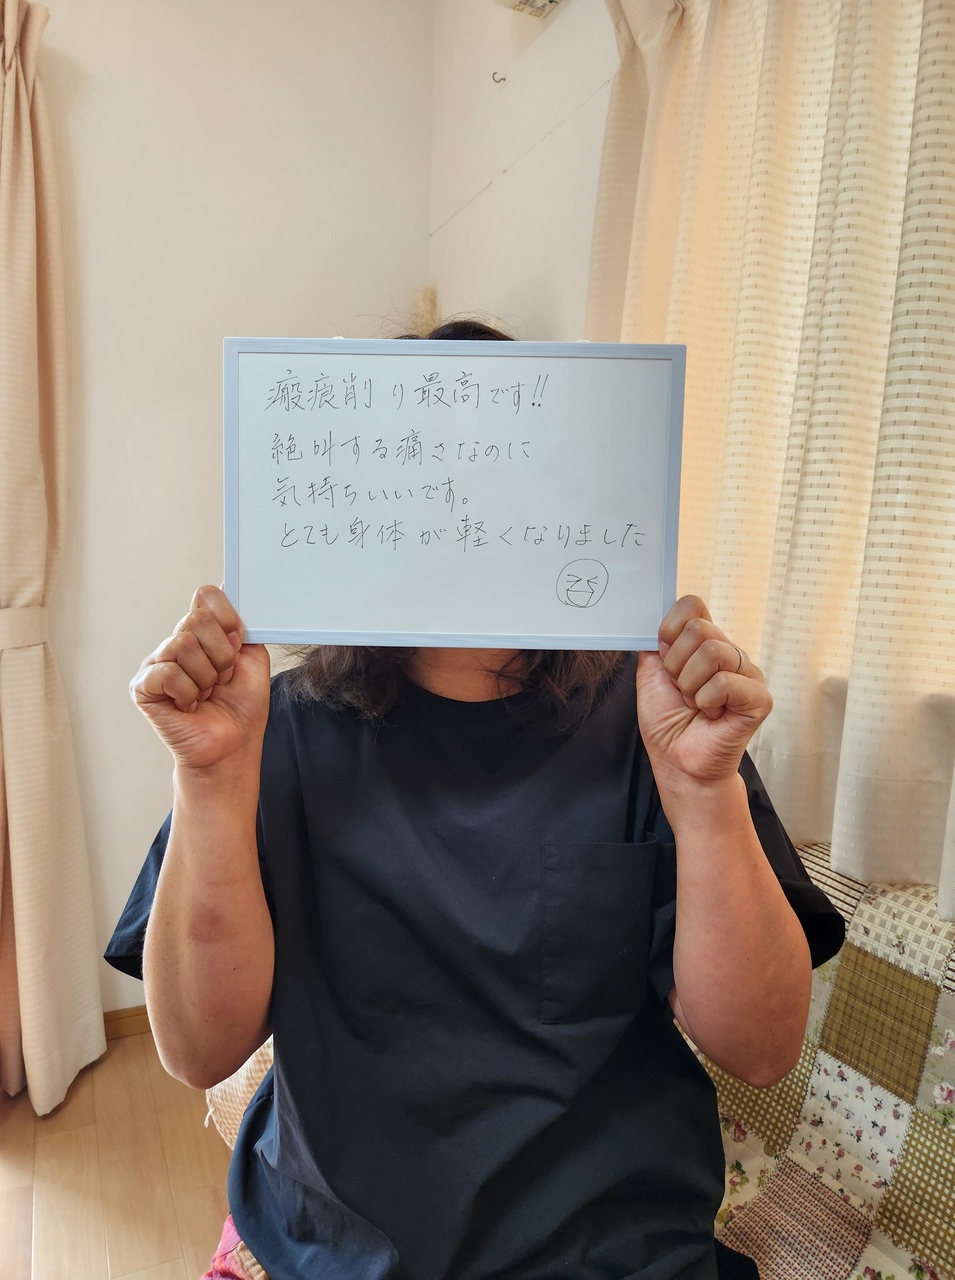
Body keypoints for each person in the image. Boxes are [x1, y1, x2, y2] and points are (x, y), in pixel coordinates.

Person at [106, 321, 844, 1280]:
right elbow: (199, 1051)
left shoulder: (659, 731)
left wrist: (704, 794)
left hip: (611, 1249)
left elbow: (762, 1048)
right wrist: (208, 781)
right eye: (425, 467)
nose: (461, 506)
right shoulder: (269, 733)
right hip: (333, 1245)